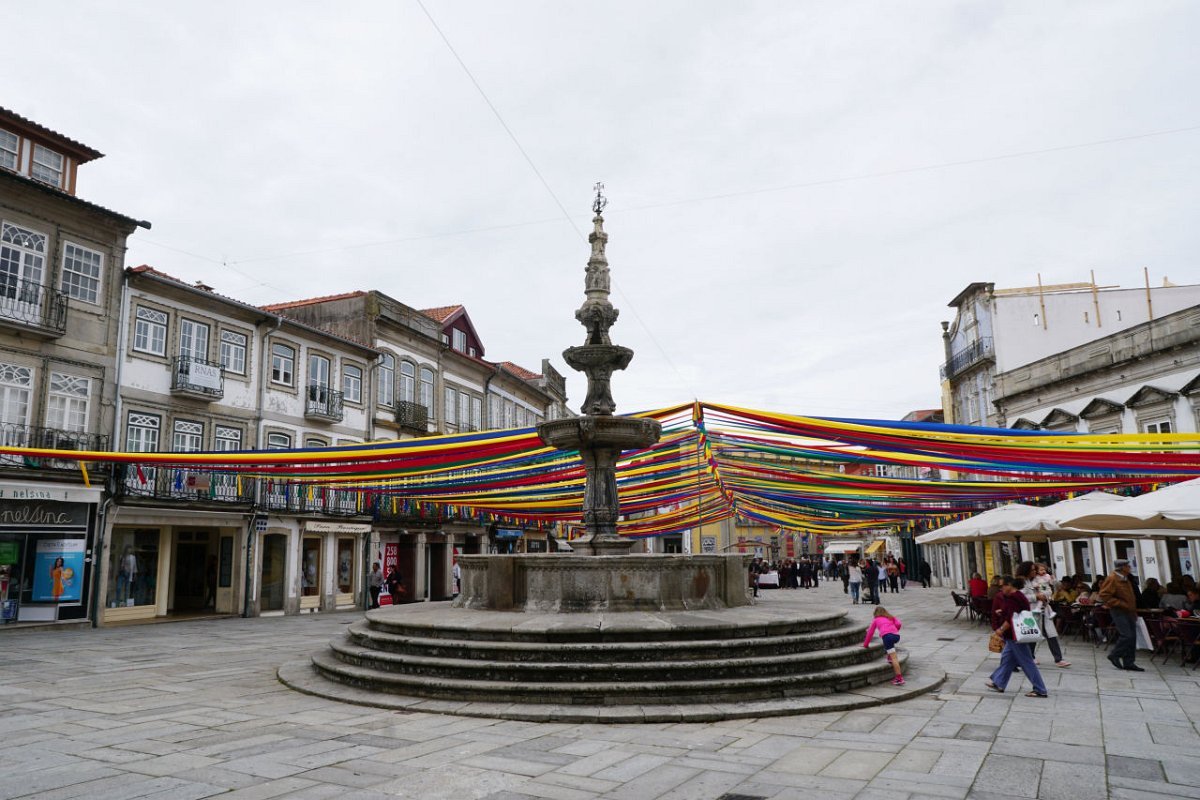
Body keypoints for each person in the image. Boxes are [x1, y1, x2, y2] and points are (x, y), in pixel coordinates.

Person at [986, 575, 1049, 698]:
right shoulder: (1017, 596)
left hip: (1015, 635)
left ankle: (1040, 689)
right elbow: (1015, 612)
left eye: (1003, 586)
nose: (1001, 588)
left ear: (1010, 585)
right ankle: (999, 683)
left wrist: (1000, 630)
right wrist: (1002, 612)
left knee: (1027, 662)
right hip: (1013, 635)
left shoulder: (1014, 597)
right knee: (1007, 659)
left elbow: (1011, 618)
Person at [1016, 561, 1069, 668]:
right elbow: (1019, 596)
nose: (1035, 572)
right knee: (1032, 635)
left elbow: (1048, 590)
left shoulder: (1040, 580)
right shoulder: (1021, 582)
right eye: (1032, 570)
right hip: (1031, 612)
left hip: (1044, 611)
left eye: (1035, 569)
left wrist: (1046, 596)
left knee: (1051, 634)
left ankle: (1058, 659)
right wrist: (1036, 597)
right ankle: (1030, 657)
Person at [1099, 559, 1142, 672]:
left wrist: (1133, 610)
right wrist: (1120, 603)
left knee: (1132, 636)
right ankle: (1114, 654)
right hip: (1119, 611)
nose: (1130, 568)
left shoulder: (1125, 578)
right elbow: (1104, 595)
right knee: (1126, 635)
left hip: (1129, 611)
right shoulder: (1112, 578)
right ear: (1122, 567)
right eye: (1128, 566)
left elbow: (1129, 596)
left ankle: (1129, 662)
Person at [863, 606, 904, 686]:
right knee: (890, 647)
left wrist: (865, 644)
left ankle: (899, 678)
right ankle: (889, 657)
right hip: (896, 636)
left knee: (894, 658)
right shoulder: (890, 617)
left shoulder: (876, 620)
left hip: (887, 637)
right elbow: (898, 624)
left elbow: (870, 632)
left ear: (875, 613)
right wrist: (895, 630)